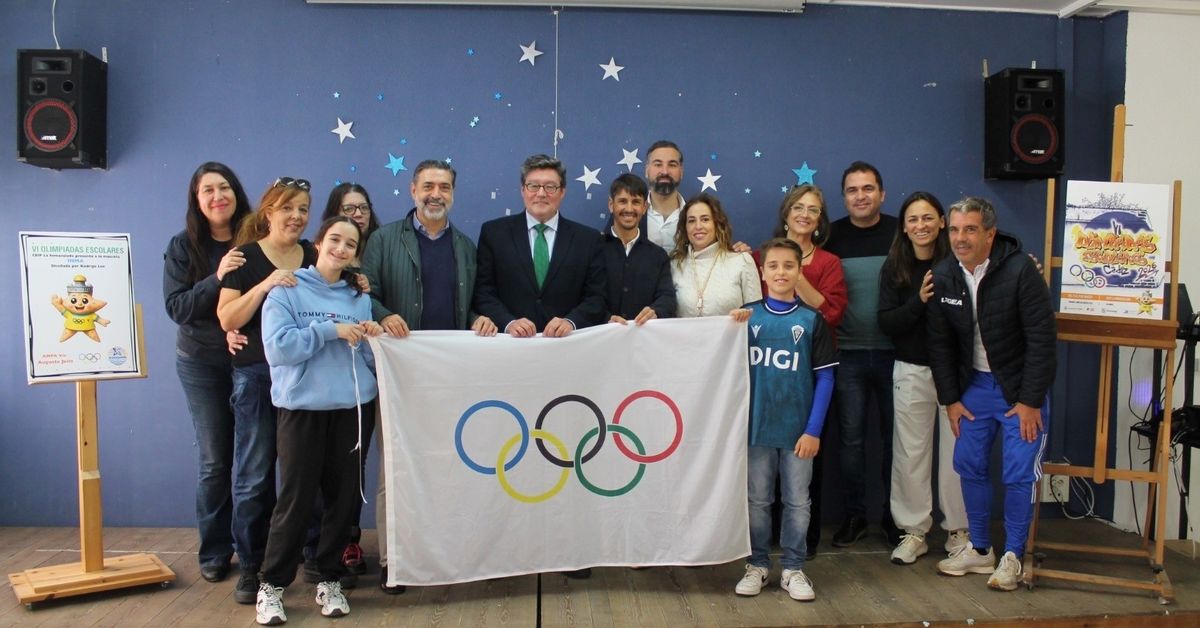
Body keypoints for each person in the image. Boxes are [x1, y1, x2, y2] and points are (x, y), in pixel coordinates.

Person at [359, 159, 496, 593]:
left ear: (453, 193)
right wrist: (385, 314)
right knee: (396, 469)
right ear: (413, 190)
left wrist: (479, 320)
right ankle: (393, 560)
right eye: (429, 186)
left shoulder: (465, 246)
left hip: (450, 377)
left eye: (445, 187)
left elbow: (471, 304)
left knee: (448, 465)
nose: (436, 194)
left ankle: (445, 553)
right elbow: (363, 295)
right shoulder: (383, 240)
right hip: (398, 376)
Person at [255, 216, 383, 625]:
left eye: (350, 244)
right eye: (335, 240)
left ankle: (329, 579)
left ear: (356, 254)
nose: (341, 249)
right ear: (318, 242)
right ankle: (271, 586)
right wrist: (331, 330)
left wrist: (372, 339)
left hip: (351, 411)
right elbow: (278, 349)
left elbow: (366, 357)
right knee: (295, 500)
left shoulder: (358, 296)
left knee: (343, 501)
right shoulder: (287, 288)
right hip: (302, 411)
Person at [926, 197, 1055, 591]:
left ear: (989, 234)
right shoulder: (944, 273)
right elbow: (940, 344)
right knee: (969, 465)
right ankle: (980, 548)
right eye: (954, 230)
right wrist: (951, 399)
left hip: (1018, 391)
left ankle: (1013, 555)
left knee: (1018, 472)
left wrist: (1030, 400)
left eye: (970, 229)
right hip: (973, 389)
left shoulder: (1020, 270)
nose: (960, 238)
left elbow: (1042, 339)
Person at [217, 177, 316, 604]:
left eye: (303, 209)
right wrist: (266, 284)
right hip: (256, 377)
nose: (296, 216)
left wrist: (359, 286)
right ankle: (251, 564)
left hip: (303, 378)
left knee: (302, 475)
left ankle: (305, 556)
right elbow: (227, 319)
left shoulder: (314, 255)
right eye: (288, 208)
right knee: (254, 476)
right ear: (269, 212)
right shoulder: (245, 257)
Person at [732, 238, 837, 601]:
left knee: (797, 502)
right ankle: (757, 564)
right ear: (762, 272)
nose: (781, 272)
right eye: (773, 266)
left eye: (789, 266)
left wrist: (813, 430)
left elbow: (826, 378)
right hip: (755, 430)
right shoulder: (745, 316)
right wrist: (730, 324)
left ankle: (793, 568)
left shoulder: (811, 319)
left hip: (797, 433)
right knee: (757, 501)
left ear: (799, 271)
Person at [163, 161, 253, 584]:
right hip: (201, 363)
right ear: (196, 200)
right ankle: (216, 550)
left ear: (236, 192)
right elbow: (178, 307)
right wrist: (217, 278)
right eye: (208, 190)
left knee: (256, 460)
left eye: (224, 187)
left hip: (251, 361)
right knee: (216, 459)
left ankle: (256, 546)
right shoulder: (183, 246)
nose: (218, 196)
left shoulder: (255, 238)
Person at [753, 184, 848, 558]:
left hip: (804, 382)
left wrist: (797, 272)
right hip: (762, 402)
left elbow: (831, 313)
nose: (805, 215)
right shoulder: (761, 259)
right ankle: (759, 556)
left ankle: (797, 554)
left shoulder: (827, 263)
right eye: (798, 207)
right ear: (786, 212)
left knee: (801, 485)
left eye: (813, 209)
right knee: (758, 491)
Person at [877, 191, 969, 565]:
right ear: (904, 226)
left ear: (942, 221)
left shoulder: (958, 263)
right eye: (913, 219)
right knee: (910, 454)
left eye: (928, 217)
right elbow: (887, 323)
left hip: (957, 374)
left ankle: (959, 530)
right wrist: (919, 299)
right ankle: (914, 531)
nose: (921, 226)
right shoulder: (895, 267)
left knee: (957, 454)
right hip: (911, 368)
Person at [300, 182, 381, 580]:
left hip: (353, 395)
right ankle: (311, 549)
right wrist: (330, 330)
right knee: (307, 480)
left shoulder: (363, 282)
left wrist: (376, 325)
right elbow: (281, 343)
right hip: (309, 398)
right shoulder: (298, 278)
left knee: (349, 475)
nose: (356, 215)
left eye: (362, 208)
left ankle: (342, 546)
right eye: (347, 209)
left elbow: (367, 335)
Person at [823, 161, 902, 548]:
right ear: (844, 197)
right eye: (852, 190)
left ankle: (894, 518)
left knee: (895, 443)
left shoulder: (902, 234)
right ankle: (855, 515)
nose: (860, 196)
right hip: (848, 355)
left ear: (882, 194)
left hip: (896, 354)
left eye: (868, 188)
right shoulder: (830, 236)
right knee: (851, 444)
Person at [473, 153, 607, 338]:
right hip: (510, 344)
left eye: (550, 187)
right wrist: (508, 323)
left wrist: (570, 322)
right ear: (523, 190)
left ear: (562, 192)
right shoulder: (494, 234)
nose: (541, 193)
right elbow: (483, 292)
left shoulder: (588, 239)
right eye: (533, 186)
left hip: (566, 345)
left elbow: (596, 298)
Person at [670, 193, 760, 319]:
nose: (698, 226)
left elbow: (757, 317)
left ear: (717, 224)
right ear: (685, 227)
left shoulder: (742, 261)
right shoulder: (675, 265)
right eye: (691, 221)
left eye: (705, 219)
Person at [602, 173, 676, 324]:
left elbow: (667, 298)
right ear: (611, 205)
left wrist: (656, 311)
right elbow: (582, 296)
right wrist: (604, 318)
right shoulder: (593, 249)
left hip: (644, 336)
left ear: (644, 207)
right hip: (600, 335)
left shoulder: (658, 256)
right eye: (622, 201)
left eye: (636, 202)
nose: (629, 209)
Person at [643, 140, 686, 251]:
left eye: (672, 165)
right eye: (658, 164)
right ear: (647, 170)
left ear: (681, 171)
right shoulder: (630, 213)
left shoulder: (695, 216)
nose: (665, 171)